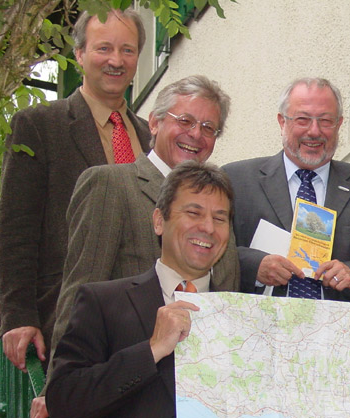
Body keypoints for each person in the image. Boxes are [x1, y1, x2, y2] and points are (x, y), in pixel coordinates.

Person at [49, 75, 239, 377]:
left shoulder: (220, 202)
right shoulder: (110, 184)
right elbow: (78, 294)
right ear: (154, 122)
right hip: (126, 387)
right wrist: (56, 391)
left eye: (208, 128)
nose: (196, 135)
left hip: (203, 388)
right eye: (186, 120)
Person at [0, 8, 150, 373]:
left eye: (127, 50)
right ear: (79, 54)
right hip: (69, 323)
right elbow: (16, 229)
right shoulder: (39, 125)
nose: (116, 60)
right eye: (104, 49)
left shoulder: (151, 137)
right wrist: (17, 315)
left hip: (145, 327)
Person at [46, 160, 234, 417]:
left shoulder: (242, 316)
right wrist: (152, 350)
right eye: (194, 213)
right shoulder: (102, 302)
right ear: (159, 221)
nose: (209, 228)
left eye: (220, 218)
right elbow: (63, 400)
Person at [222, 77, 350, 302]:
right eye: (302, 119)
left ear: (339, 124)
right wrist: (254, 266)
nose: (314, 131)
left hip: (340, 330)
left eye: (325, 120)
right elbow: (211, 249)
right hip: (258, 328)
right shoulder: (236, 180)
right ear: (282, 122)